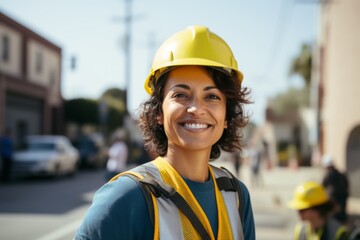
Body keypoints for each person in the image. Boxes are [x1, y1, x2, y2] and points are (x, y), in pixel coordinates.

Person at [75, 25, 255, 239]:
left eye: (212, 96)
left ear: (226, 117)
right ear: (158, 112)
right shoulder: (125, 197)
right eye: (180, 95)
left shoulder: (236, 195)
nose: (196, 109)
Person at [321, 154, 350, 225]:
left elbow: (323, 188)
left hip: (335, 204)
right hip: (341, 203)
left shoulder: (329, 176)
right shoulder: (341, 175)